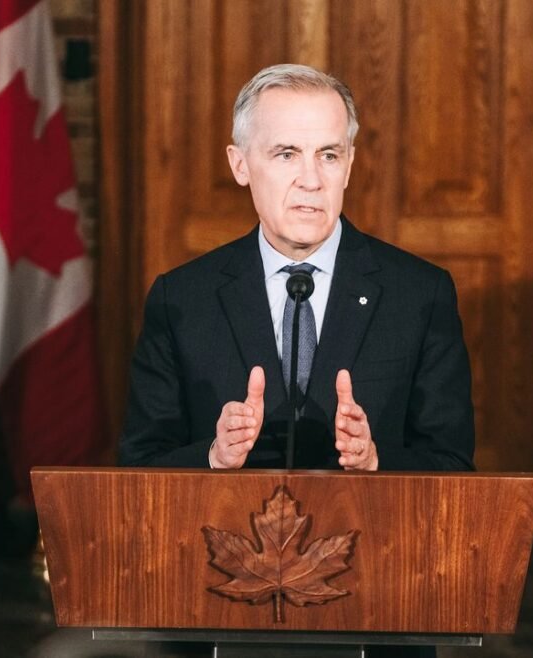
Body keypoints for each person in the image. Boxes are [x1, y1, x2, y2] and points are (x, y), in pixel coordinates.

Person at [119, 63, 475, 472]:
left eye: (328, 155)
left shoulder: (419, 295)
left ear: (349, 165)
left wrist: (376, 461)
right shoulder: (182, 300)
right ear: (240, 165)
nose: (311, 180)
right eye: (287, 154)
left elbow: (453, 467)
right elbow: (139, 466)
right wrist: (214, 457)